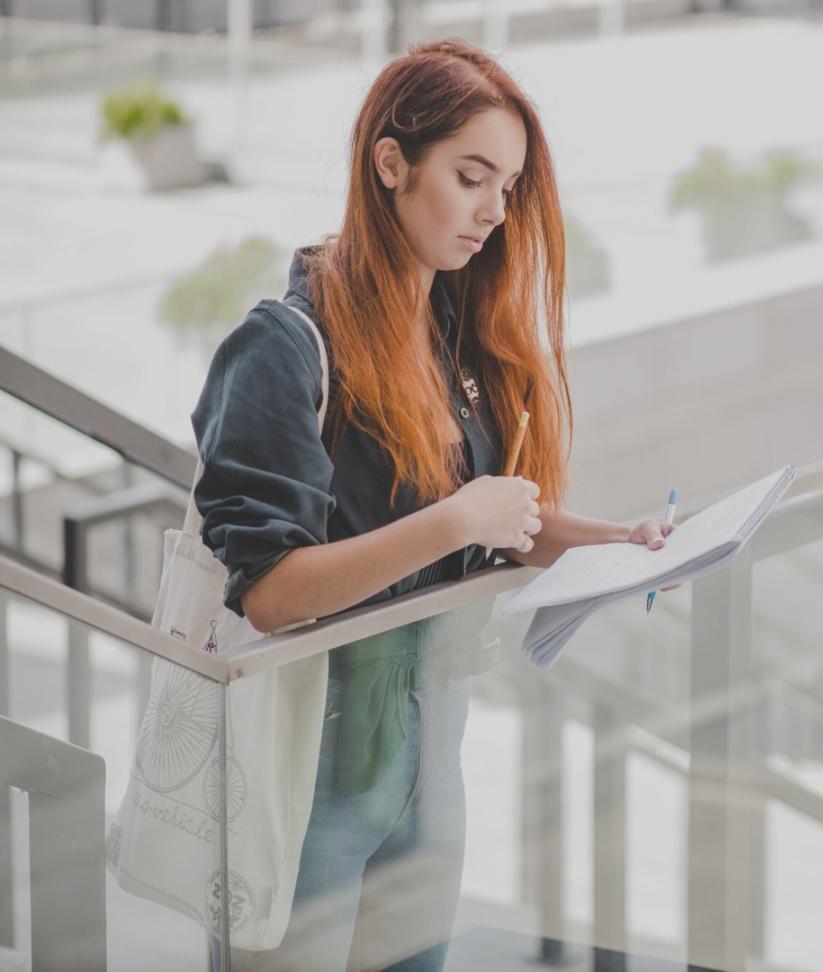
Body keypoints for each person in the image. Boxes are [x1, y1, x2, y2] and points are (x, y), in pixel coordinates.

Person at [192, 38, 675, 970]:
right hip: (309, 765)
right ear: (391, 162)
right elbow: (273, 592)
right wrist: (457, 521)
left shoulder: (456, 335)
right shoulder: (282, 348)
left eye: (510, 187)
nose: (496, 211)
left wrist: (620, 541)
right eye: (471, 176)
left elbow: (501, 517)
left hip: (432, 753)